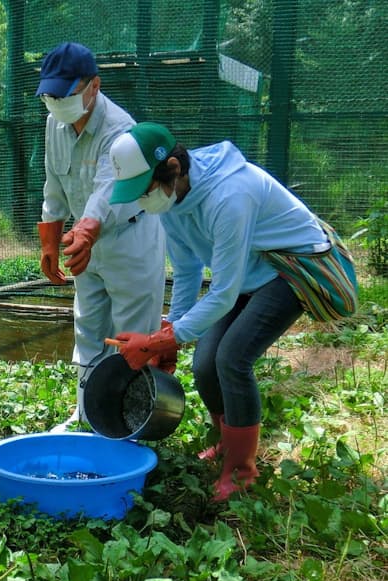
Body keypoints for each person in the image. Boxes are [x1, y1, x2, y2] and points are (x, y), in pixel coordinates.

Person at [108, 122, 335, 501]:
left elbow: (224, 294)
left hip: (288, 270)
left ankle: (242, 470)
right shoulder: (171, 202)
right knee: (204, 363)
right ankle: (227, 444)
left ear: (174, 171)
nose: (140, 202)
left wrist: (156, 340)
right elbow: (187, 271)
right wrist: (171, 331)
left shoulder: (230, 196)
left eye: (143, 190)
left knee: (232, 358)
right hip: (248, 272)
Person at [34, 42, 167, 429]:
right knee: (88, 328)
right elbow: (54, 184)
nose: (57, 102)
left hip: (129, 240)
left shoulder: (119, 129)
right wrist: (49, 241)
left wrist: (87, 230)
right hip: (82, 242)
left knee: (132, 336)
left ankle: (131, 420)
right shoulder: (53, 123)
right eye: (49, 94)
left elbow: (107, 190)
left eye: (65, 93)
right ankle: (88, 411)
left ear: (94, 86)